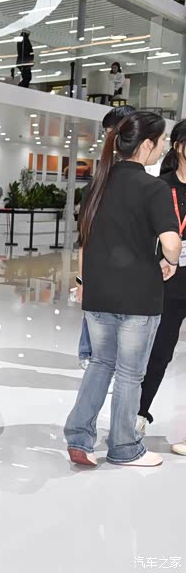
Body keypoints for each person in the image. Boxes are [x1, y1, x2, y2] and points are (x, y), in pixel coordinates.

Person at [65, 111, 181, 468]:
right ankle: (124, 447)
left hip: (99, 293)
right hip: (138, 297)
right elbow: (171, 244)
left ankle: (79, 437)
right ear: (146, 145)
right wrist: (171, 260)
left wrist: (83, 283)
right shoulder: (154, 188)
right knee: (130, 375)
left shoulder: (97, 183)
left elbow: (85, 241)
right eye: (161, 141)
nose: (163, 147)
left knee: (100, 365)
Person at [136, 119, 186, 456]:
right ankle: (138, 416)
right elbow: (143, 234)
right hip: (169, 283)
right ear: (179, 146)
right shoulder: (160, 186)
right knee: (158, 354)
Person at [77, 105, 137, 369]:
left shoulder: (143, 181)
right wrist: (81, 279)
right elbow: (85, 237)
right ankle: (89, 352)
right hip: (104, 269)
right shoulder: (100, 180)